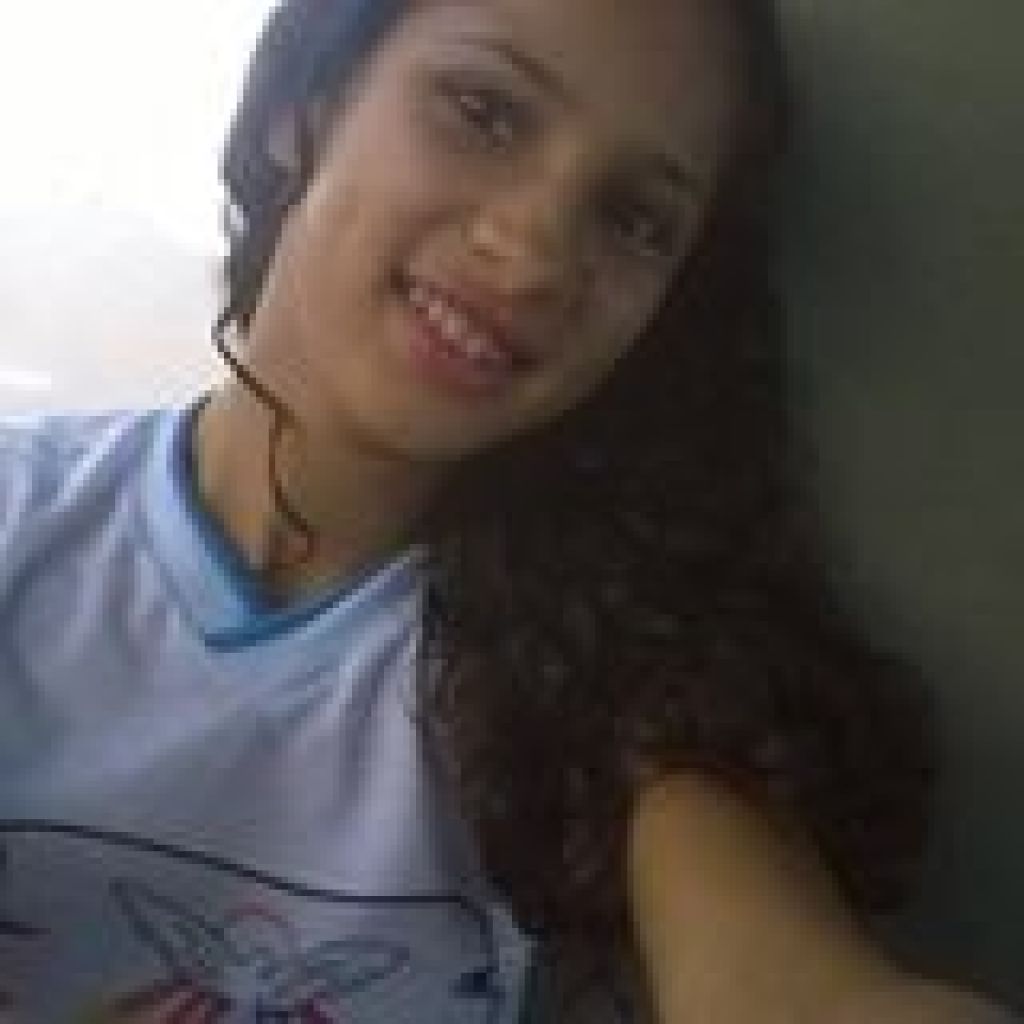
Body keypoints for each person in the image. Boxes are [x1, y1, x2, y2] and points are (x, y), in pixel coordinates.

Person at [0, 0, 1019, 1020]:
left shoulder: (611, 664)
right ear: (304, 107)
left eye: (633, 218)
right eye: (483, 111)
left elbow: (794, 988)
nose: (534, 256)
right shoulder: (25, 516)